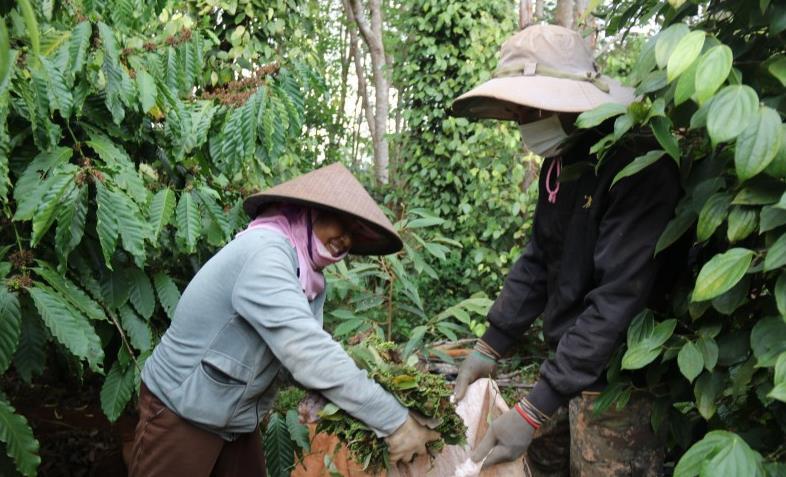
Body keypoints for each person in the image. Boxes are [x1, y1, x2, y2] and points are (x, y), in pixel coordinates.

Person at [450, 24, 682, 476]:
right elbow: (540, 256)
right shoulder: (562, 162)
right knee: (540, 463)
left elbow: (619, 299)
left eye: (528, 109)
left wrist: (535, 408)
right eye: (516, 111)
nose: (522, 122)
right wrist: (490, 344)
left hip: (620, 381)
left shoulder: (638, 164)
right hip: (567, 362)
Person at [129, 163, 439, 476]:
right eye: (339, 223)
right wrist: (394, 419)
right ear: (308, 212)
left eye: (353, 233)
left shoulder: (309, 278)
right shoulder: (265, 253)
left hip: (233, 418)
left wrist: (330, 397)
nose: (345, 239)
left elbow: (299, 355)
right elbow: (305, 350)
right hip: (180, 409)